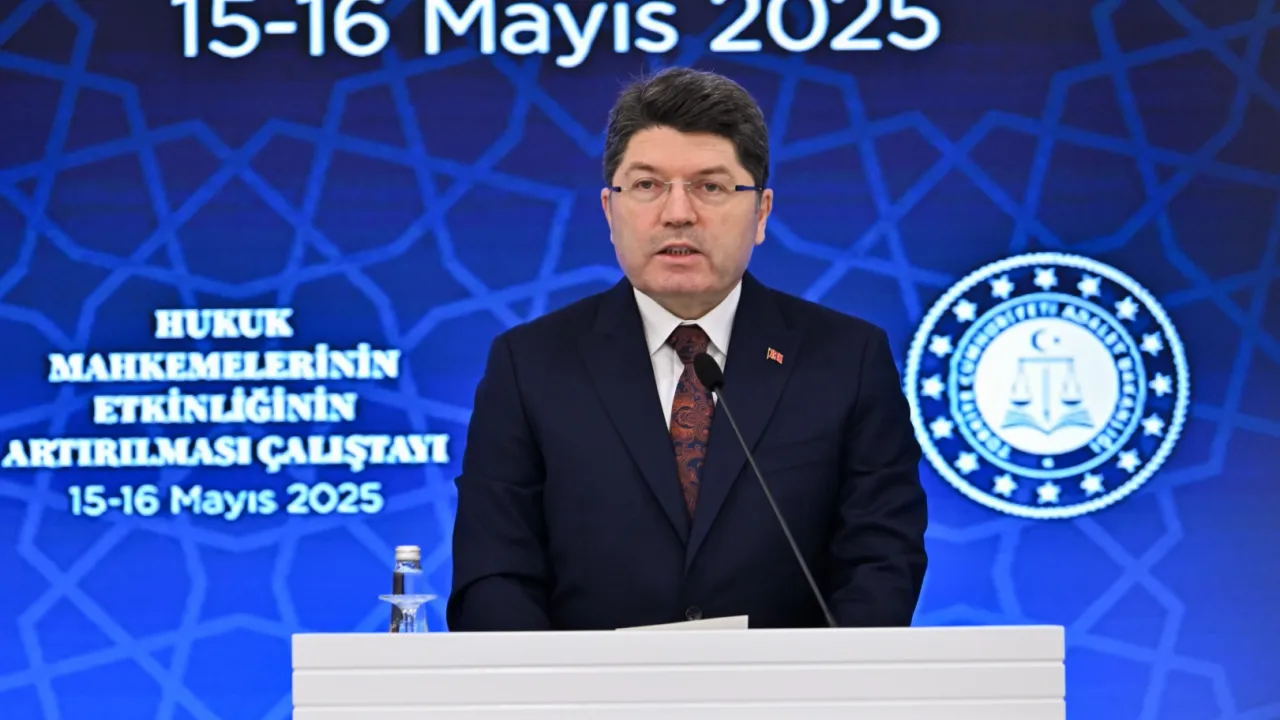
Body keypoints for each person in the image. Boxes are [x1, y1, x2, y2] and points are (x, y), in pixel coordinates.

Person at [446, 66, 928, 631]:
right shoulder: (530, 365)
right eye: (647, 186)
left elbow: (880, 564)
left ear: (762, 213)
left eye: (711, 186)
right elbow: (495, 574)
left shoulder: (847, 360)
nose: (677, 213)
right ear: (609, 211)